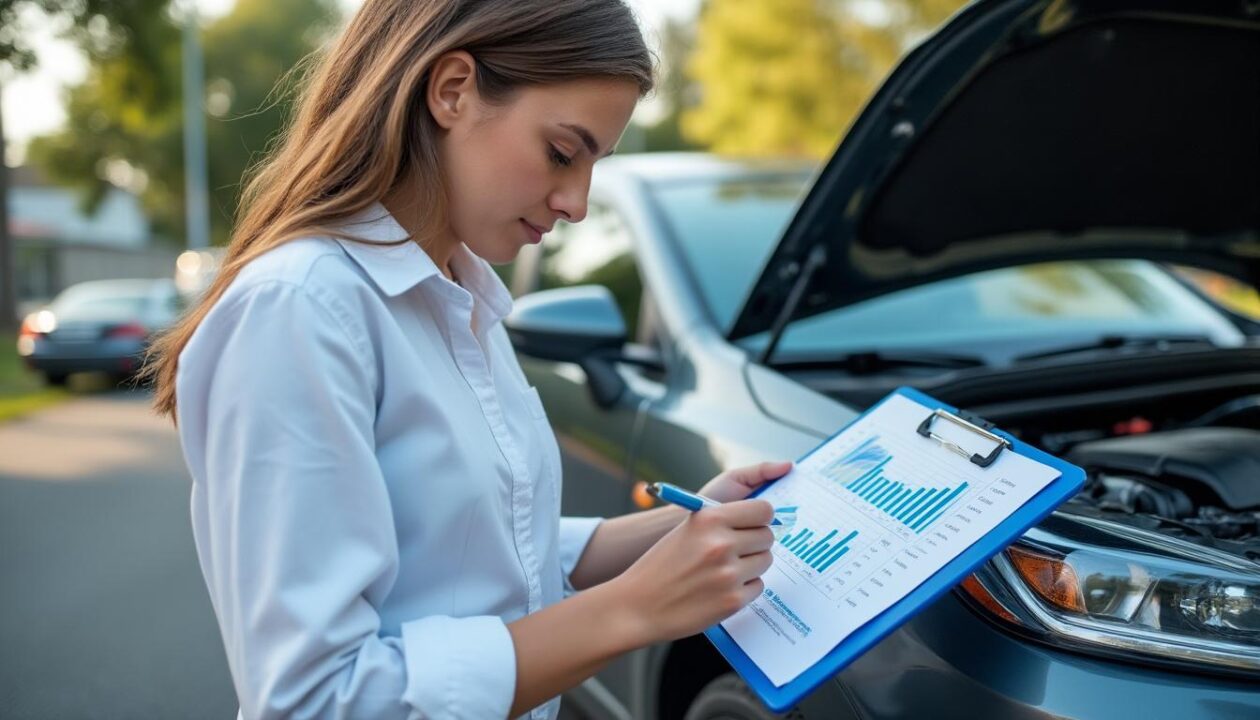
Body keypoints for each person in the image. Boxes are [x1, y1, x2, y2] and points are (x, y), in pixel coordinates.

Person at [146, 1, 791, 717]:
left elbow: (470, 550)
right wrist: (634, 609)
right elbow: (316, 699)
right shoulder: (299, 309)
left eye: (594, 164)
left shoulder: (459, 297)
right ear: (452, 90)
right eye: (562, 153)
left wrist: (677, 526)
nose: (577, 202)